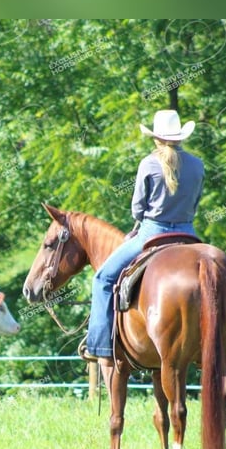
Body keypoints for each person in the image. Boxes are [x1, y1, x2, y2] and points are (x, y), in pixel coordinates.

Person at [83, 110, 205, 365]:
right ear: (181, 136)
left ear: (156, 138)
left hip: (154, 232)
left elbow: (137, 209)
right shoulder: (197, 164)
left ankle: (100, 347)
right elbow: (194, 203)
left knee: (103, 279)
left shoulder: (149, 163)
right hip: (188, 233)